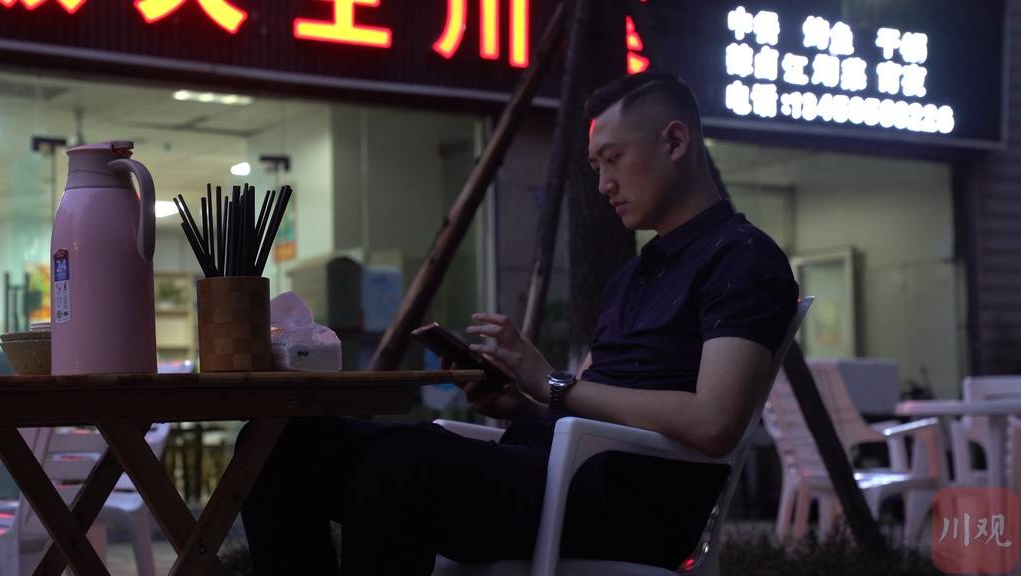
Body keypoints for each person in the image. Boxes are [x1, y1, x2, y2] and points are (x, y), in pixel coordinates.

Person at [241, 71, 798, 575]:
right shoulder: (634, 276)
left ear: (675, 142)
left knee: (399, 466)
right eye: (596, 167)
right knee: (282, 444)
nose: (603, 184)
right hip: (555, 471)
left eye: (614, 159)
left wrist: (553, 384)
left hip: (630, 507)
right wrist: (524, 405)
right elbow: (593, 407)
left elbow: (714, 422)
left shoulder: (742, 258)